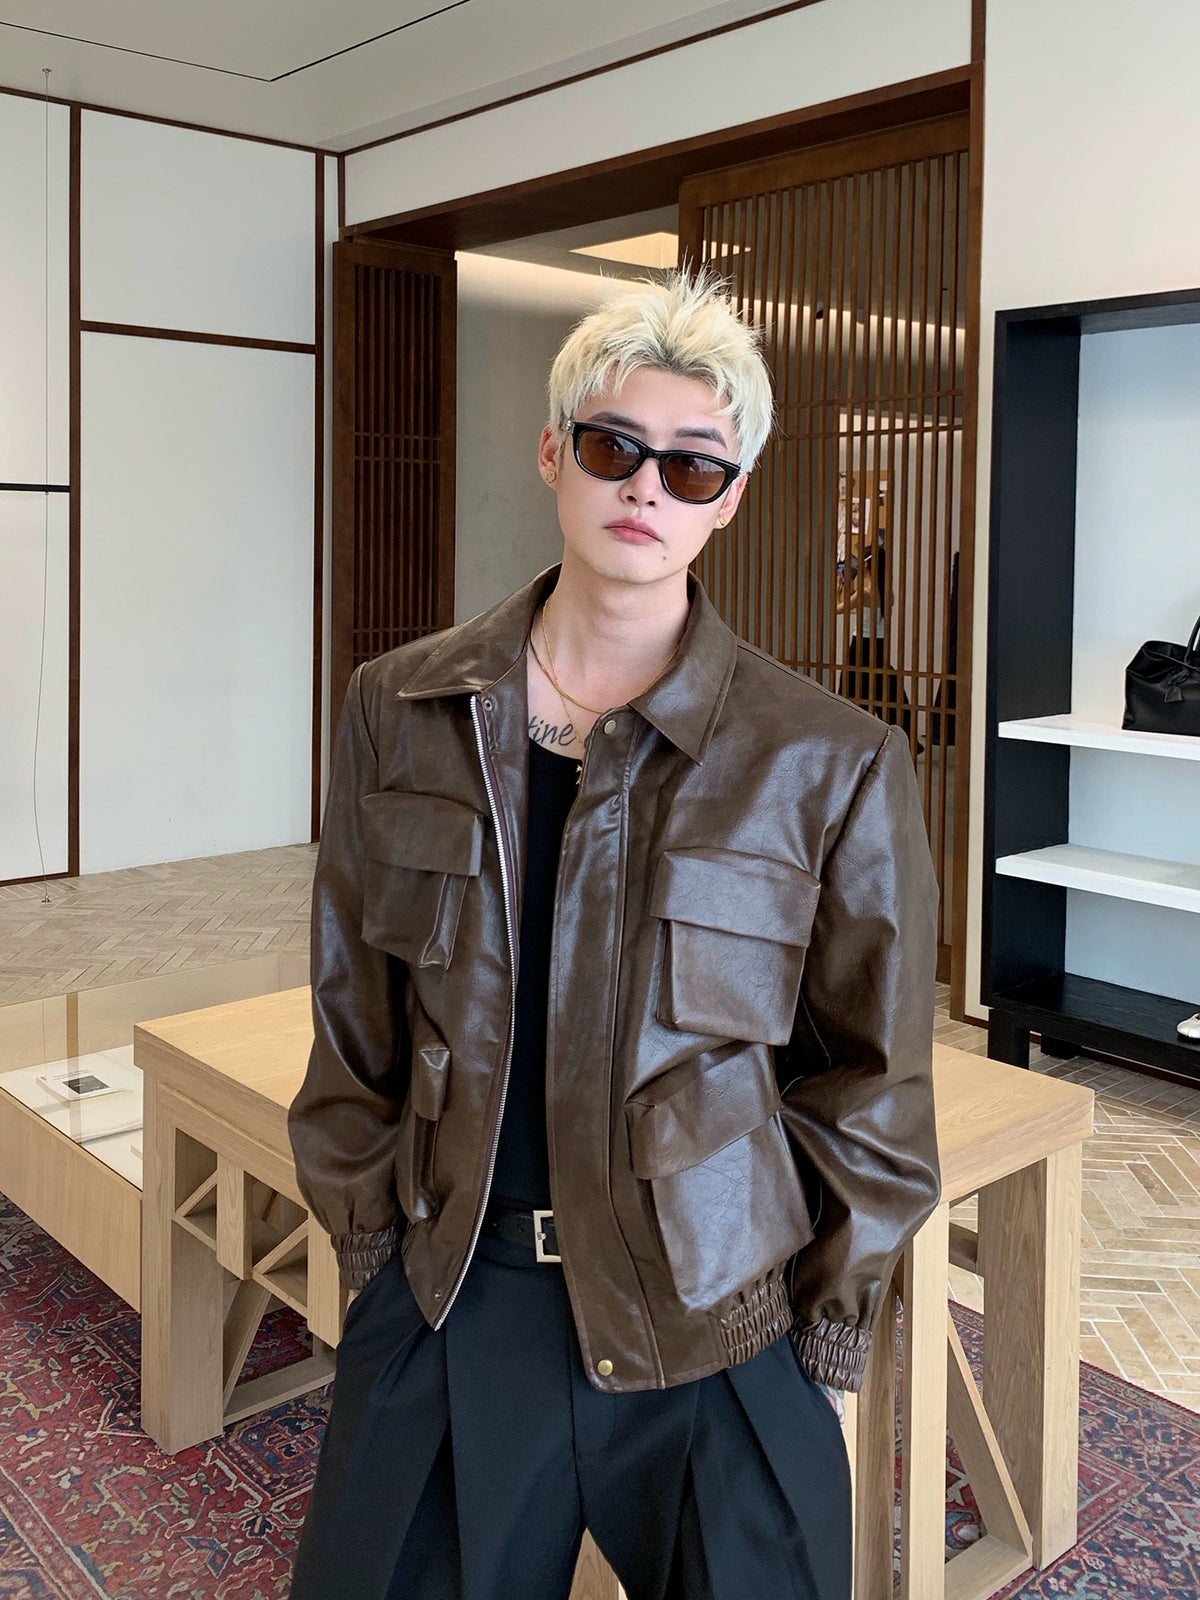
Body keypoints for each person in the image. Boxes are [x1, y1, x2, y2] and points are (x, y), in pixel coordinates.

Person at [287, 267, 941, 1600]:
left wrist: (818, 1334)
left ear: (730, 497)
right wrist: (372, 1259)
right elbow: (355, 1017)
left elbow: (873, 1084)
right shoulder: (397, 710)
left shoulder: (830, 760)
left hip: (717, 1317)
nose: (648, 488)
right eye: (613, 447)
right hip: (455, 1296)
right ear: (554, 453)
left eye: (693, 465)